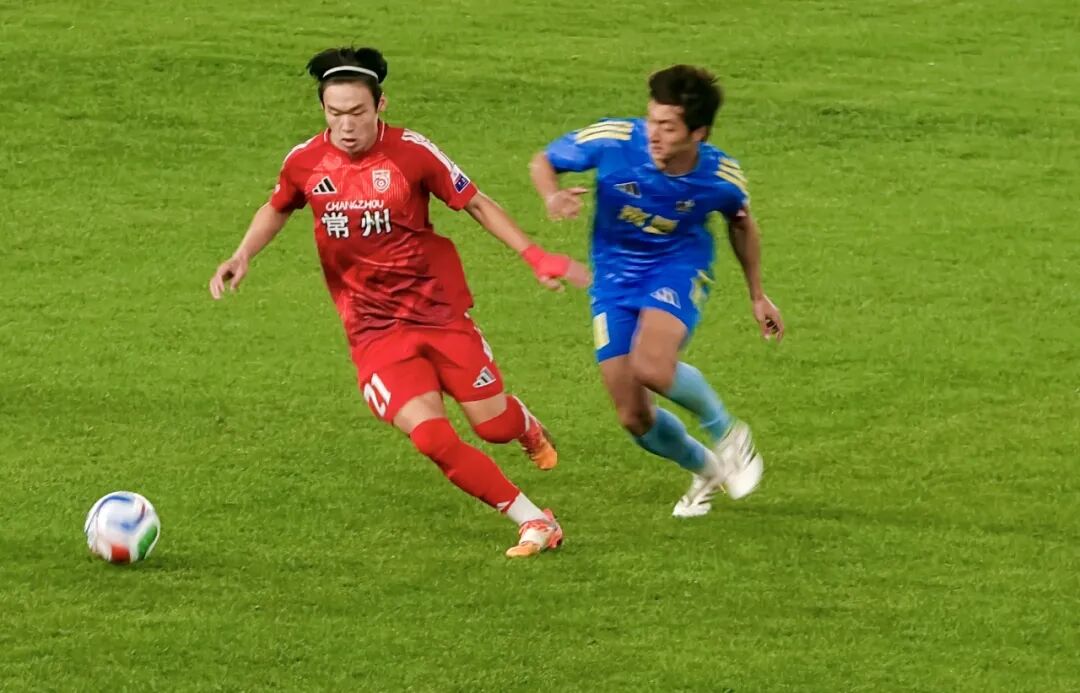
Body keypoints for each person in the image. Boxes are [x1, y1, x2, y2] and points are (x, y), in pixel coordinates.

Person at [209, 46, 590, 557]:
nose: (346, 126)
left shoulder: (412, 152)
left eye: (357, 112)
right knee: (432, 438)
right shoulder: (305, 162)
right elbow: (279, 204)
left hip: (438, 314)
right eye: (334, 113)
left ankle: (524, 424)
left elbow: (475, 202)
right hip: (372, 330)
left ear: (380, 104)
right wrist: (243, 253)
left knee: (493, 426)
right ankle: (534, 521)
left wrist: (534, 255)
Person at [528, 64, 785, 517]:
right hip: (613, 280)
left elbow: (742, 223)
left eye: (668, 127)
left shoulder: (720, 176)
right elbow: (543, 161)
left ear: (698, 133)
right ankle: (706, 469)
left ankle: (729, 435)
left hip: (677, 269)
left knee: (651, 364)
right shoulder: (615, 140)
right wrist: (552, 196)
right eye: (652, 120)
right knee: (633, 416)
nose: (655, 134)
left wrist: (757, 294)